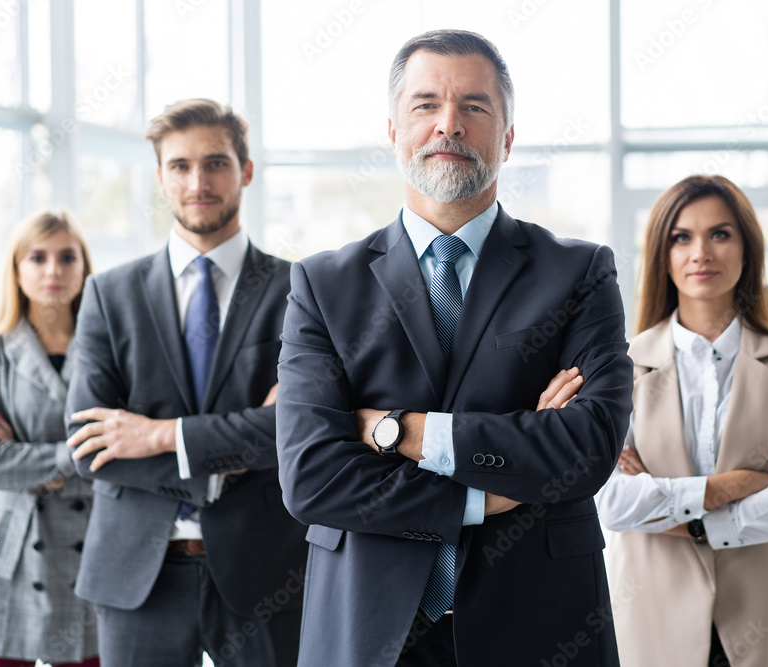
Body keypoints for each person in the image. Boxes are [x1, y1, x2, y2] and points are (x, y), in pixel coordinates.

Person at [275, 30, 633, 666]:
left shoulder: (579, 273)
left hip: (538, 622)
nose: (449, 125)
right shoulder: (323, 284)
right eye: (425, 105)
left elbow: (587, 449)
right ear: (393, 131)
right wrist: (487, 491)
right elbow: (311, 478)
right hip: (369, 626)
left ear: (508, 134)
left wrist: (396, 431)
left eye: (474, 106)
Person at [64, 99, 308, 666]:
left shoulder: (300, 291)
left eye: (216, 163)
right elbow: (87, 447)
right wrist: (234, 448)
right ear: (159, 178)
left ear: (246, 171)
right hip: (136, 574)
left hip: (266, 571)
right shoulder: (109, 295)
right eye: (179, 166)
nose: (198, 181)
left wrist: (158, 436)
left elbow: (295, 429)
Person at [591, 175, 768, 666]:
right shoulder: (623, 364)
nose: (701, 252)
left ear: (747, 249)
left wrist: (682, 517)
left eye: (720, 234)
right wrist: (732, 486)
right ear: (663, 252)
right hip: (653, 614)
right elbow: (612, 502)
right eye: (682, 237)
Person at [0, 209, 99, 666]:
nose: (54, 270)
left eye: (67, 257)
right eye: (37, 258)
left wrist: (32, 465)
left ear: (85, 267)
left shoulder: (112, 352)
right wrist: (77, 455)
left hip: (93, 550)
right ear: (17, 270)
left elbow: (125, 459)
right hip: (7, 553)